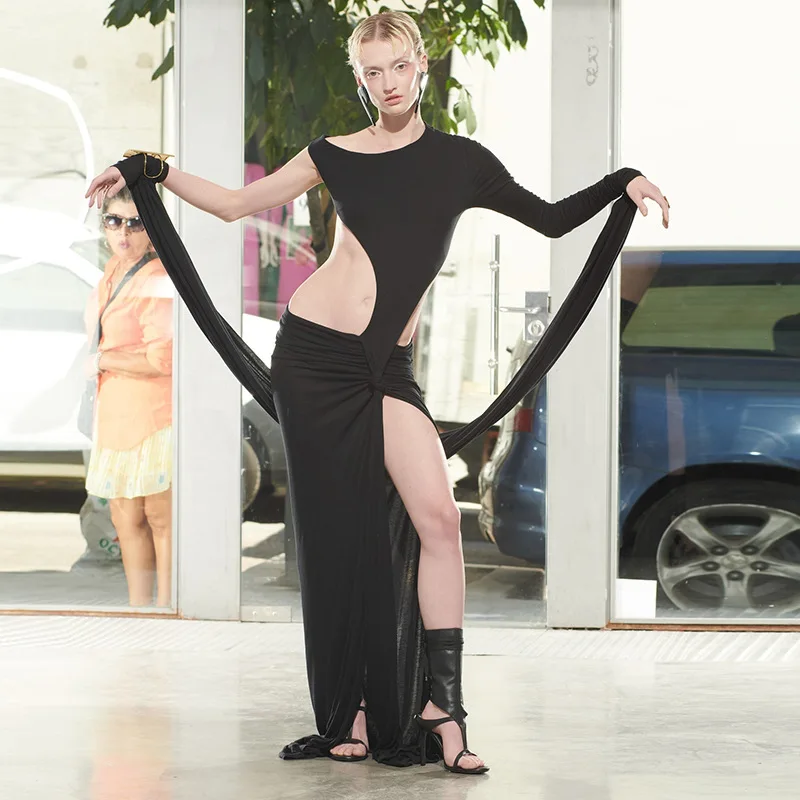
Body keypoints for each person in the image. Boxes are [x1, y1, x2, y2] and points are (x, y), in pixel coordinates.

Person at [86, 10, 668, 773]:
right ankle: (350, 710)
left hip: (385, 368)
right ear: (360, 79)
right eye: (372, 72)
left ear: (420, 65)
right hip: (313, 358)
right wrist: (149, 169)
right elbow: (232, 205)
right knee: (340, 536)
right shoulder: (334, 154)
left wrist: (622, 182)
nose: (387, 83)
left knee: (439, 519)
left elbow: (555, 221)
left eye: (398, 66)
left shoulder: (463, 162)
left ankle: (443, 708)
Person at [84, 188, 174, 607]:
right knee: (125, 519)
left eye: (136, 223)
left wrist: (103, 360)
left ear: (152, 229)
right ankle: (140, 613)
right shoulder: (111, 272)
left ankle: (168, 610)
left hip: (153, 418)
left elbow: (161, 359)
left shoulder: (155, 278)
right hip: (116, 416)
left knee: (160, 518)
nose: (124, 232)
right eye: (114, 221)